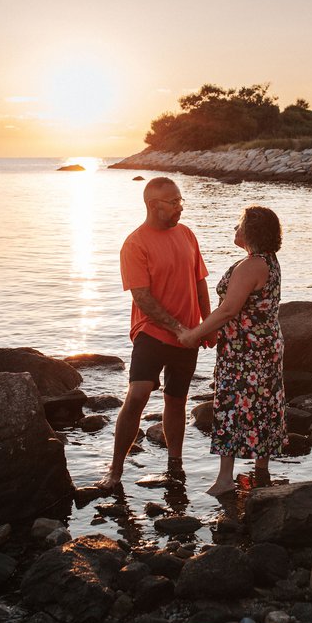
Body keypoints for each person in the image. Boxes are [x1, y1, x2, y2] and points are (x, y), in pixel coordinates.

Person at [96, 177, 212, 490]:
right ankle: (115, 470)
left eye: (180, 200)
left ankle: (175, 466)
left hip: (189, 335)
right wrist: (178, 329)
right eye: (173, 202)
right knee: (137, 395)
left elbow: (199, 281)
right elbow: (142, 297)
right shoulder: (135, 244)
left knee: (176, 400)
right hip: (151, 332)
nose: (180, 207)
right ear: (152, 205)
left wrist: (207, 324)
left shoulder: (186, 234)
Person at [178, 206, 286, 496]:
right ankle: (261, 471)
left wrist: (194, 334)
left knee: (231, 405)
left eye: (239, 225)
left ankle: (225, 479)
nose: (235, 229)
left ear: (252, 231)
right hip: (263, 345)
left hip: (246, 350)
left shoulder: (252, 265)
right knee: (264, 404)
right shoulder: (267, 261)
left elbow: (228, 309)